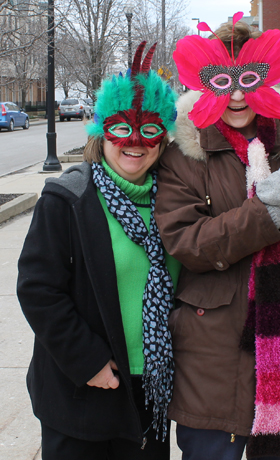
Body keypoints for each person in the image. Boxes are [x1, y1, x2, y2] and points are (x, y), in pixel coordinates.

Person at [154, 13, 280, 460]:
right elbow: (186, 243)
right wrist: (263, 217)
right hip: (211, 359)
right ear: (204, 84)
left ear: (271, 77)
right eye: (223, 81)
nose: (239, 94)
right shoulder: (185, 154)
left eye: (250, 78)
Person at [17, 42, 180, 460]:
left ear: (163, 138)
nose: (135, 143)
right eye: (122, 129)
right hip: (85, 392)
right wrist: (87, 361)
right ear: (102, 132)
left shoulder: (177, 202)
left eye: (149, 131)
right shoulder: (68, 199)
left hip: (152, 391)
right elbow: (38, 290)